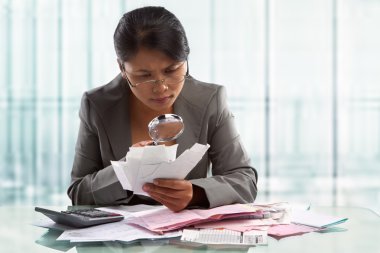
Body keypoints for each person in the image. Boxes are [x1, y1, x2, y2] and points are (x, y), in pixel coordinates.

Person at [67, 6, 258, 212]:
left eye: (172, 70)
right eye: (143, 75)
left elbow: (244, 181)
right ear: (122, 68)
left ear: (186, 59)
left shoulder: (210, 100)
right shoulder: (97, 104)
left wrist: (196, 193)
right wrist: (127, 169)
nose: (161, 88)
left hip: (187, 238)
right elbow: (79, 193)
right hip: (121, 239)